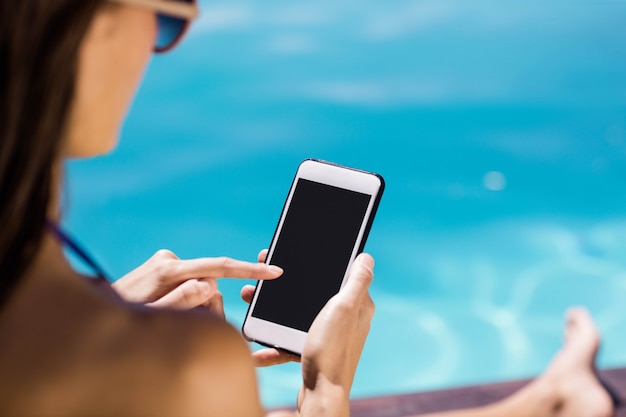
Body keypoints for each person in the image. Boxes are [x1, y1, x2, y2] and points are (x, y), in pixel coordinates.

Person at [0, 1, 615, 416]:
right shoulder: (178, 368)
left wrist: (98, 305)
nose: (158, 49)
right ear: (90, 25)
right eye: (167, 19)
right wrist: (326, 389)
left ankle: (545, 399)